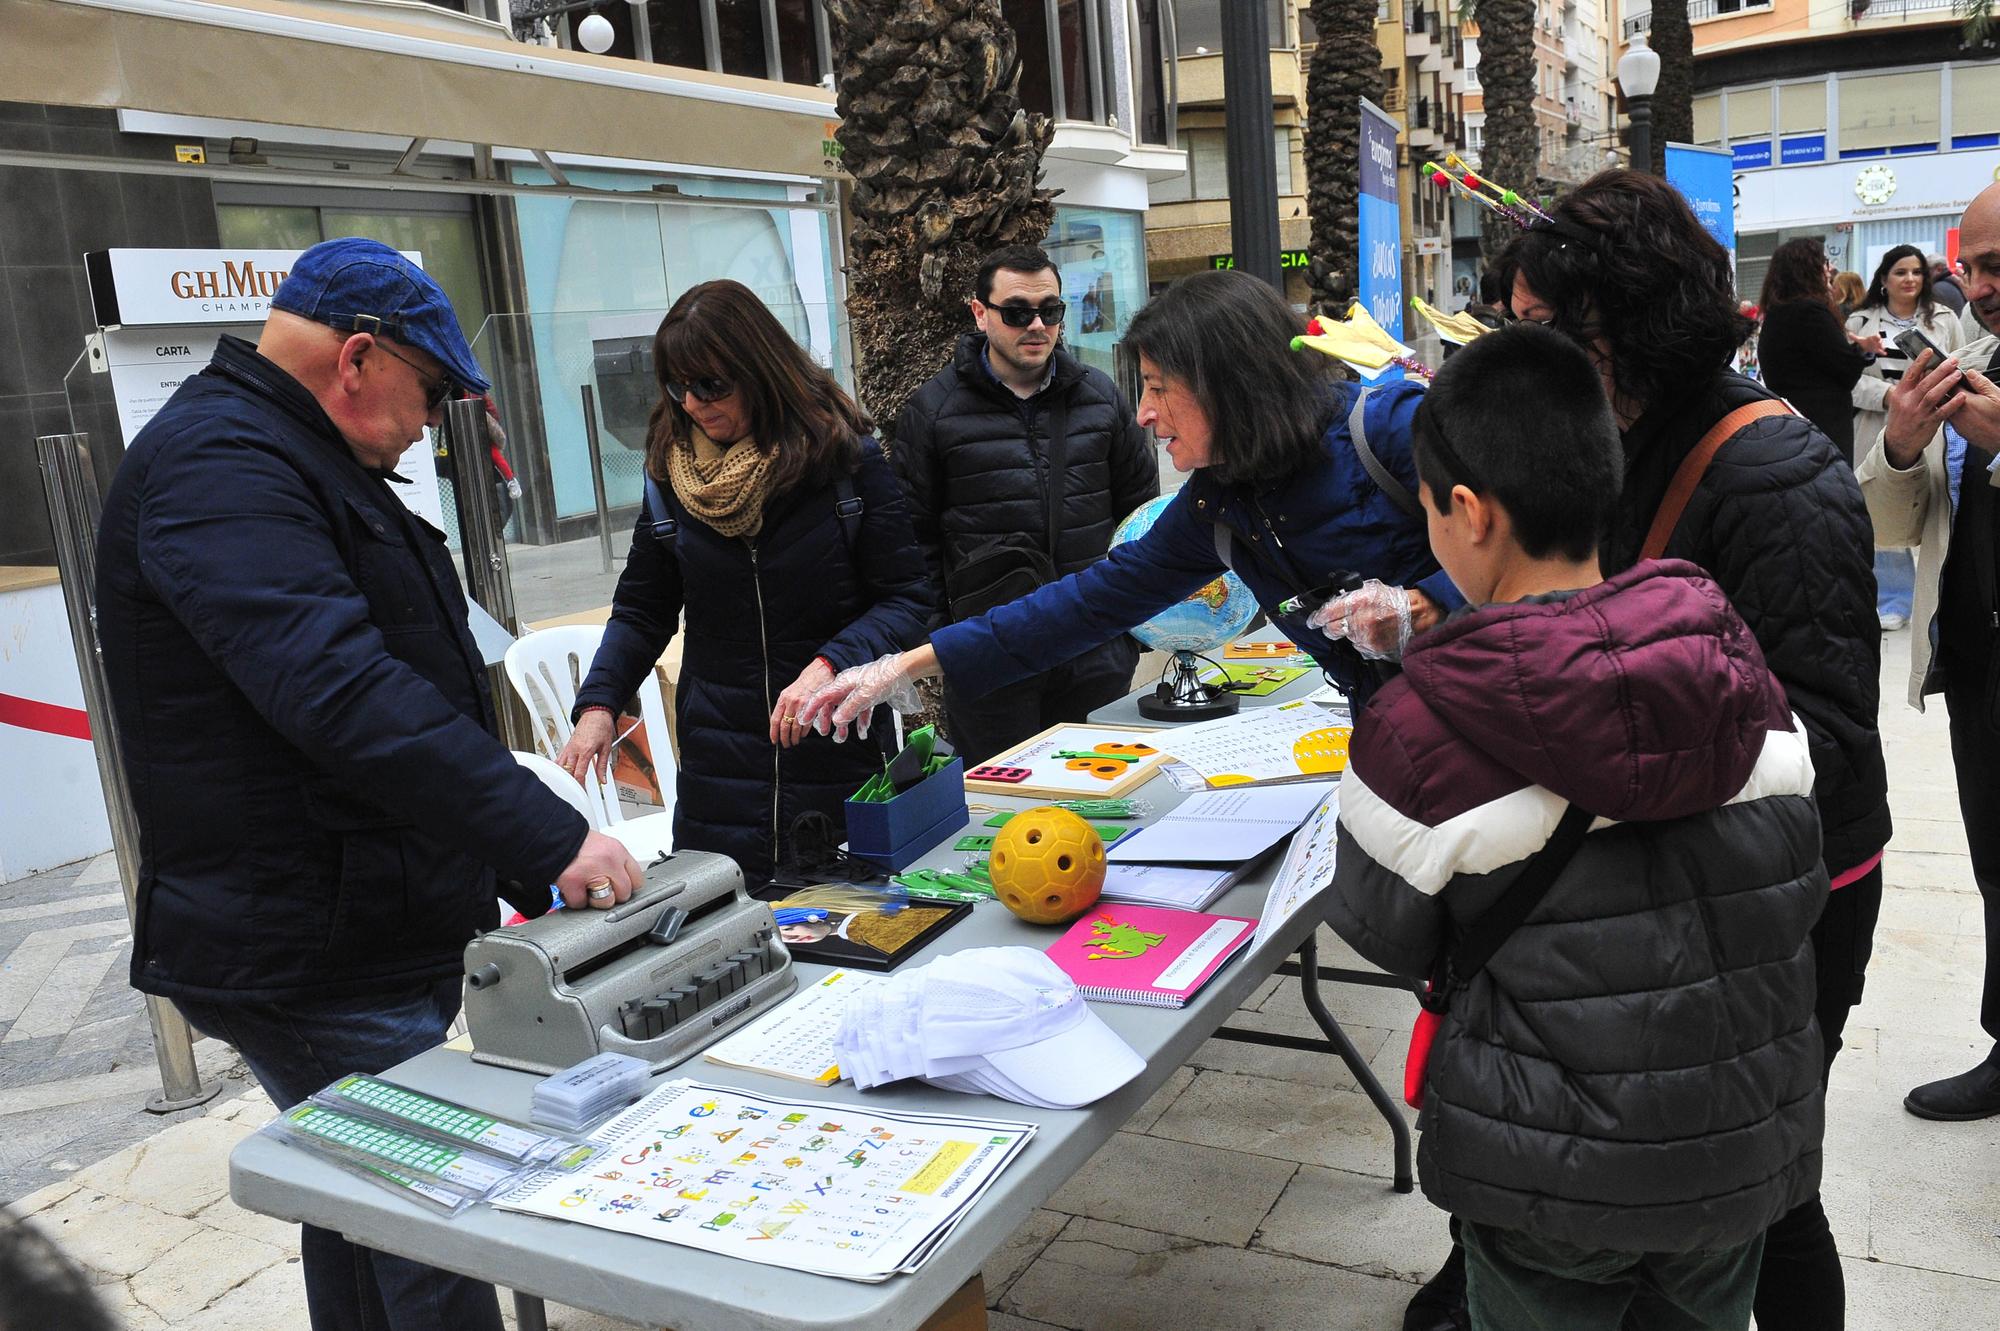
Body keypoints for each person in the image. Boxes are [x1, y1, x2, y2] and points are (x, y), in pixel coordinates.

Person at [94, 238, 644, 1331]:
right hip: (304, 948)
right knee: (435, 1215)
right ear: (357, 358)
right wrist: (548, 836)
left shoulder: (290, 453)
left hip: (355, 913)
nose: (432, 419)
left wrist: (498, 858)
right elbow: (339, 687)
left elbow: (404, 677)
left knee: (359, 1202)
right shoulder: (221, 466)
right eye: (432, 390)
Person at [1328, 322, 1825, 1331]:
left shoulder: (1416, 731)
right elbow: (1793, 881)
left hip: (1543, 1165)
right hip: (1733, 1144)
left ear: (1467, 511)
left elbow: (1386, 934)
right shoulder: (1737, 673)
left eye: (1425, 510)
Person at [1499, 169, 1888, 1331]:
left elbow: (1815, 735)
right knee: (1710, 1184)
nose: (1526, 357)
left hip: (1791, 892)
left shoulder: (1771, 473)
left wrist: (1597, 715)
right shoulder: (1623, 437)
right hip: (1699, 873)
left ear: (1618, 320)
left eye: (1538, 329)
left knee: (1770, 1188)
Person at [795, 269, 1462, 741]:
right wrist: (905, 664)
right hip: (1405, 737)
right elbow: (1085, 603)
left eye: (1157, 388)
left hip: (1506, 716)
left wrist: (1427, 603)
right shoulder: (1220, 503)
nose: (1142, 414)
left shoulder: (1390, 427)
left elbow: (1546, 534)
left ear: (1229, 384)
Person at [556, 280, 933, 886]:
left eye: (711, 385)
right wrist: (600, 703)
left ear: (760, 369)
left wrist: (831, 663)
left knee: (848, 948)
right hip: (719, 776)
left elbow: (908, 597)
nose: (693, 403)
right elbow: (641, 610)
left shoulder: (844, 461)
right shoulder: (669, 473)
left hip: (836, 759)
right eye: (678, 387)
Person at [890, 244, 1158, 762]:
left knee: (1103, 802)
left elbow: (1141, 518)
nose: (1036, 325)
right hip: (989, 659)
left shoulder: (1100, 397)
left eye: (1051, 311)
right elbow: (911, 543)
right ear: (979, 313)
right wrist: (947, 641)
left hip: (1094, 649)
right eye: (1016, 312)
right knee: (1004, 813)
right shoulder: (934, 411)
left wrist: (1129, 634)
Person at [1856, 181, 2000, 1119]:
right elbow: (1891, 525)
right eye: (1978, 265)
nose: (1986, 285)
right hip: (1981, 662)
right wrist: (1905, 447)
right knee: (1996, 860)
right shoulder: (1972, 357)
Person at [1848, 243, 1967, 630]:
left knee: (1939, 508)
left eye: (1916, 272)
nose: (1910, 279)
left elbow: (1966, 365)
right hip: (1877, 426)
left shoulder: (1946, 319)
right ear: (1884, 279)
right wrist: (1890, 397)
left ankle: (1944, 596)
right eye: (1900, 272)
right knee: (1885, 506)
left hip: (1939, 427)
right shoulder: (1860, 323)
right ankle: (1894, 598)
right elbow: (1848, 380)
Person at [1756, 237, 1877, 466]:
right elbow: (1844, 369)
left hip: (1793, 425)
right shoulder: (1809, 312)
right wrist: (1862, 350)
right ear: (1808, 267)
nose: (1830, 269)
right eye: (1824, 262)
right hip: (1824, 426)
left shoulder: (1777, 312)